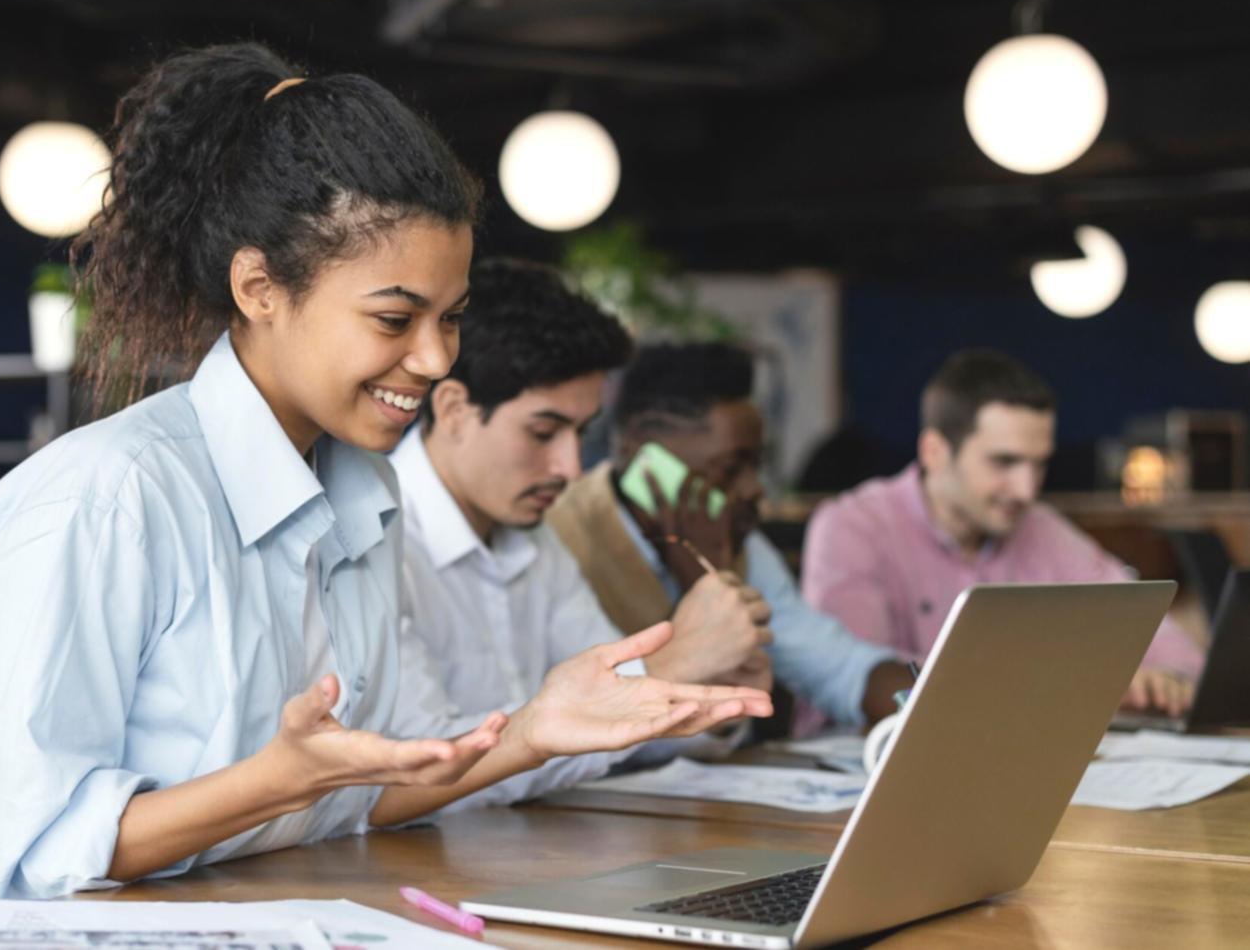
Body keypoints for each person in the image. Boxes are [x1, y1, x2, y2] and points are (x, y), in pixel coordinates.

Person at [0, 43, 770, 923]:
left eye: (451, 320)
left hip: (254, 916)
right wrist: (274, 783)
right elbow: (33, 858)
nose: (435, 360)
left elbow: (360, 791)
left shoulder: (361, 495)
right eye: (395, 318)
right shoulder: (103, 500)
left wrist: (533, 730)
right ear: (260, 288)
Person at [390, 260, 777, 806]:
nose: (569, 468)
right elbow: (408, 779)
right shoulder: (374, 539)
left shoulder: (537, 539)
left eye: (580, 433)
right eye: (544, 432)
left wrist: (708, 701)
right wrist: (674, 666)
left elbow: (596, 740)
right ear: (453, 409)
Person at [802, 348, 1203, 716]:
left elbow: (1159, 637)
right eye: (1004, 462)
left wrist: (1165, 677)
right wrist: (1073, 681)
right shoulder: (852, 527)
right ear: (934, 451)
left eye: (1039, 464)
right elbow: (862, 680)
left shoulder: (1042, 528)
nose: (1026, 490)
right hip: (855, 775)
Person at [548, 342, 911, 735]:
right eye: (730, 467)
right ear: (641, 453)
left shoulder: (739, 545)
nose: (755, 489)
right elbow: (588, 726)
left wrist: (929, 705)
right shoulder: (560, 538)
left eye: (756, 465)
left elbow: (835, 664)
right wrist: (703, 590)